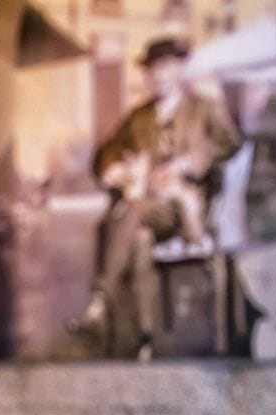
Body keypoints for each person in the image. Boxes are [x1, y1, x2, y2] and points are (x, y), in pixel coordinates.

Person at [73, 37, 242, 360]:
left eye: (167, 68)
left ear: (180, 70)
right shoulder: (139, 118)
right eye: (153, 70)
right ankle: (142, 334)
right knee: (134, 233)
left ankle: (99, 305)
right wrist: (114, 170)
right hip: (149, 209)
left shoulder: (203, 108)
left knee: (129, 215)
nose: (160, 76)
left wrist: (191, 161)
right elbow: (104, 153)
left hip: (187, 210)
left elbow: (230, 142)